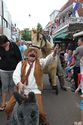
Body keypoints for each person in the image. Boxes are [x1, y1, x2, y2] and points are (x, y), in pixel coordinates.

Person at [5, 44, 57, 125]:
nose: (32, 53)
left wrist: (54, 53)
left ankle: (43, 121)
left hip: (35, 91)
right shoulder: (21, 63)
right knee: (8, 108)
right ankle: (12, 118)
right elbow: (15, 74)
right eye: (30, 52)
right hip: (22, 90)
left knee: (41, 113)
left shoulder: (40, 62)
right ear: (27, 54)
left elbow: (48, 59)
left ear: (36, 55)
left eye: (34, 52)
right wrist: (19, 83)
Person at [0, 35, 22, 111]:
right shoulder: (0, 47)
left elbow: (19, 58)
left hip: (13, 71)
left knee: (11, 87)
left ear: (6, 42)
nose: (1, 46)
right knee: (4, 87)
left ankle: (10, 103)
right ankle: (3, 103)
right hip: (3, 71)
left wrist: (20, 70)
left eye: (2, 44)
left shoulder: (14, 46)